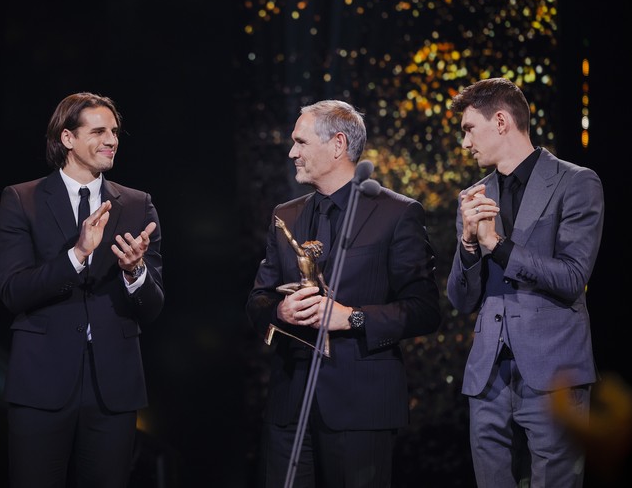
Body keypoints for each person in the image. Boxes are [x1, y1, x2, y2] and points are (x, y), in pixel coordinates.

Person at [246, 100, 442, 488]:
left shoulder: (397, 213)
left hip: (361, 408)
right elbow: (257, 301)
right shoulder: (285, 216)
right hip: (290, 409)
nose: (292, 153)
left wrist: (350, 317)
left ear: (338, 145)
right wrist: (281, 311)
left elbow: (424, 309)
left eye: (300, 142)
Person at [0, 91, 164, 488]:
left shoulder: (138, 204)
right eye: (99, 131)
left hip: (113, 387)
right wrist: (76, 254)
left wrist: (134, 271)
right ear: (67, 138)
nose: (112, 140)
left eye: (115, 132)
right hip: (41, 383)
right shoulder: (22, 199)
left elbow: (153, 306)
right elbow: (13, 292)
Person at [447, 77, 604, 488]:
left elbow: (571, 278)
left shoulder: (576, 182)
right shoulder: (473, 196)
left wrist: (495, 245)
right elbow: (462, 300)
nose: (465, 144)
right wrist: (466, 244)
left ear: (501, 121)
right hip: (488, 377)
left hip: (553, 370)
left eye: (469, 129)